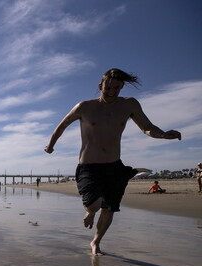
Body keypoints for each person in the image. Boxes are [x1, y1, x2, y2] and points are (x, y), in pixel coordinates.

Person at [44, 68, 181, 256]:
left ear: (121, 87)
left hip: (114, 166)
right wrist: (50, 145)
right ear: (101, 85)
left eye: (117, 88)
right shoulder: (84, 107)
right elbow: (62, 125)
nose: (111, 92)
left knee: (109, 209)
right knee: (93, 205)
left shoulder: (129, 105)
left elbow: (147, 127)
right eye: (108, 87)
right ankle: (90, 212)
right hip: (89, 167)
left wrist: (163, 135)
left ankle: (95, 242)